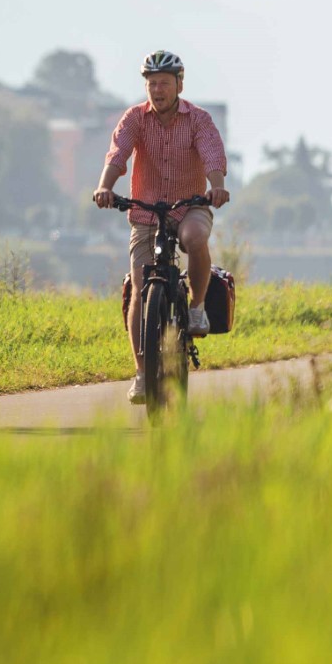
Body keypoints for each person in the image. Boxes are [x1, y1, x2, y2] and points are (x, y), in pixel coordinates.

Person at [91, 50, 230, 404]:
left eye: (164, 83)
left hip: (189, 207)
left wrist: (215, 187)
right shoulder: (134, 118)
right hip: (146, 213)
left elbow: (213, 155)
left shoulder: (198, 119)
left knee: (194, 237)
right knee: (140, 285)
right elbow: (117, 156)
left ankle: (196, 307)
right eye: (152, 84)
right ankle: (141, 372)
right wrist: (105, 187)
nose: (157, 90)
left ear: (179, 85)